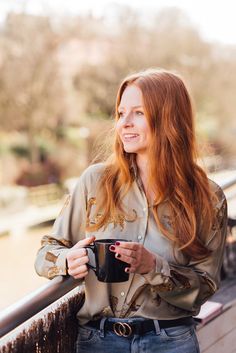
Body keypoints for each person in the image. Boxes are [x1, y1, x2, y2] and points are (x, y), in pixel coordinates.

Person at [35, 68, 227, 353]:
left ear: (169, 117)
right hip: (98, 342)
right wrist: (66, 260)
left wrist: (154, 267)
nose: (124, 123)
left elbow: (205, 288)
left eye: (138, 112)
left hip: (172, 342)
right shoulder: (95, 182)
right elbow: (45, 254)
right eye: (121, 113)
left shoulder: (208, 198)